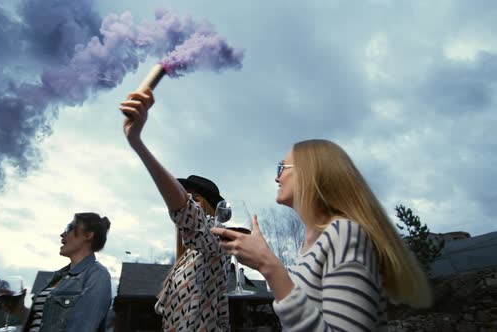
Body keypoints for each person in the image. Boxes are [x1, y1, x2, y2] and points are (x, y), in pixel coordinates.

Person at [212, 139, 432, 331]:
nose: (276, 178)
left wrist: (268, 266)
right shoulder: (313, 245)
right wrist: (265, 260)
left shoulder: (344, 234)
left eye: (282, 167)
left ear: (309, 173)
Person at [120, 89, 230, 331]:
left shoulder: (218, 241)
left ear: (209, 208)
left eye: (194, 198)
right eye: (185, 195)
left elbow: (189, 216)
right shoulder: (185, 258)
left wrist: (137, 143)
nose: (185, 201)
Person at [2, 212, 112, 332]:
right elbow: (44, 321)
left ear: (88, 235)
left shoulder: (98, 275)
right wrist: (19, 309)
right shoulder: (58, 276)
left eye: (69, 228)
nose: (62, 234)